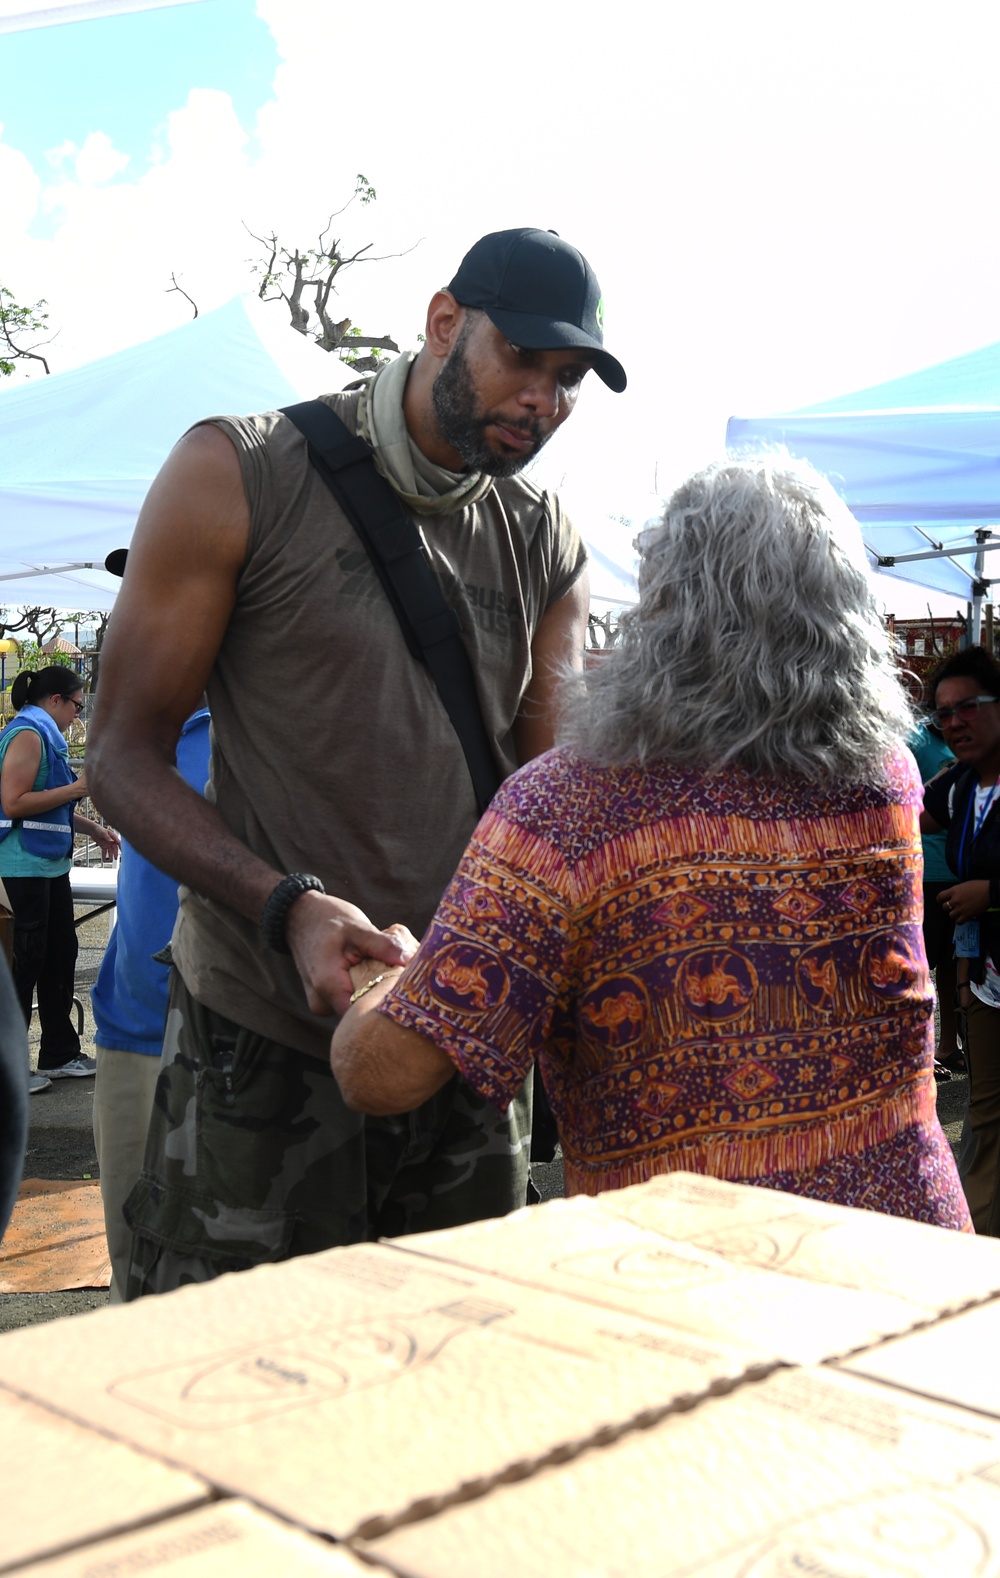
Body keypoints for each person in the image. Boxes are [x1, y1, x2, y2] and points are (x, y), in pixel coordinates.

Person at [87, 227, 626, 1296]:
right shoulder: (239, 470)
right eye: (524, 359)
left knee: (445, 1393)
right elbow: (122, 757)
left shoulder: (545, 537)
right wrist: (285, 905)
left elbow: (550, 802)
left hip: (458, 1042)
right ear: (441, 323)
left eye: (568, 381)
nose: (544, 401)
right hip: (261, 1036)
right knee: (226, 1383)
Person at [331, 456, 969, 1232]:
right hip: (905, 1250)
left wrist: (381, 978)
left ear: (666, 609)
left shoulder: (568, 812)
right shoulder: (886, 779)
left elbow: (383, 1075)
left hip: (692, 1281)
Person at [91, 699, 211, 1302]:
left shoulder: (279, 715)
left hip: (235, 1048)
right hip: (132, 1031)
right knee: (133, 1269)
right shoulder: (140, 726)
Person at [0, 667, 119, 1083]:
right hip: (22, 867)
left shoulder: (42, 733)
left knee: (58, 956)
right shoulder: (28, 734)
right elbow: (14, 803)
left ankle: (59, 1052)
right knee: (25, 964)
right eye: (76, 706)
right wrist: (79, 789)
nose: (77, 716)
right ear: (55, 700)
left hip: (48, 866)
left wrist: (93, 828)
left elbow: (50, 805)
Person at [921, 646, 1000, 1234]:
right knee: (987, 1108)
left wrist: (991, 892)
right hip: (988, 982)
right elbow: (897, 811)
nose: (953, 723)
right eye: (942, 714)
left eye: (967, 707)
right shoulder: (961, 786)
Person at [908, 714, 961, 1076]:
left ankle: (948, 1046)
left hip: (961, 872)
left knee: (956, 963)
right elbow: (907, 801)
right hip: (926, 871)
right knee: (921, 965)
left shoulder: (966, 742)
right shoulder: (914, 740)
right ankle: (921, 1054)